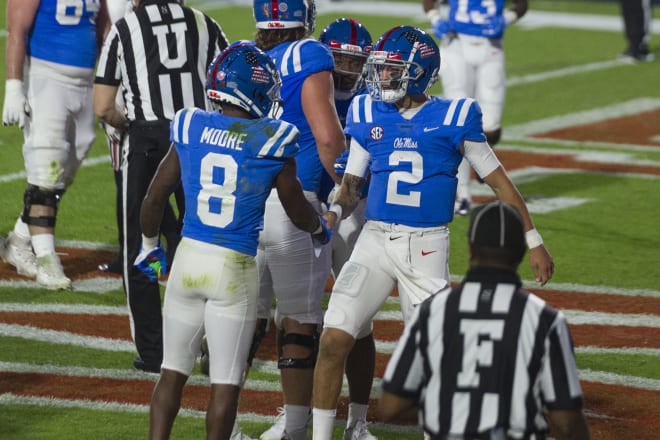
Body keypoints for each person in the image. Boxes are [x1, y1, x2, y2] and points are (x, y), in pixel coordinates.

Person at [311, 25, 555, 440]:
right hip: (374, 240)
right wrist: (335, 212)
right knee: (334, 337)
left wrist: (533, 240)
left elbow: (499, 184)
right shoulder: (370, 112)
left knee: (436, 356)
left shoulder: (454, 117)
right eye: (381, 69)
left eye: (391, 70)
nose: (381, 78)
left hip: (425, 247)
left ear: (418, 72)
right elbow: (352, 184)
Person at [138, 41, 332, 440]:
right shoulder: (273, 138)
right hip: (233, 267)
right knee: (224, 385)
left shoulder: (191, 124)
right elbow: (295, 207)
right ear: (254, 90)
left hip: (188, 259)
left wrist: (147, 249)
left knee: (171, 374)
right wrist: (319, 228)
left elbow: (154, 197)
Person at [93, 0, 229, 373]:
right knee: (200, 244)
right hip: (198, 143)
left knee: (141, 247)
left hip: (147, 145)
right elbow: (231, 86)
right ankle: (203, 341)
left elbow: (103, 105)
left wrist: (133, 123)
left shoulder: (125, 27)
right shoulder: (207, 23)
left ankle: (154, 352)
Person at [380, 201, 590, 440]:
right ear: (521, 253)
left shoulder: (432, 311)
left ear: (470, 248)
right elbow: (566, 423)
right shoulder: (545, 320)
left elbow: (391, 406)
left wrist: (450, 411)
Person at [260, 17, 376, 440]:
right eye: (340, 58)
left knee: (355, 321)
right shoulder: (312, 81)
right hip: (308, 207)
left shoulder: (374, 100)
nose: (346, 68)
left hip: (351, 214)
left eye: (354, 60)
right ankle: (294, 414)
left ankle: (358, 419)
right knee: (290, 315)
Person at [251, 0, 347, 438]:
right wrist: (351, 191)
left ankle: (227, 425)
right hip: (296, 203)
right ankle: (293, 424)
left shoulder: (243, 58)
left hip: (244, 206)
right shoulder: (308, 54)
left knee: (243, 321)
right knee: (299, 320)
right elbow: (327, 138)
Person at [1, 0, 110, 289]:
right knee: (46, 169)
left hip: (85, 80)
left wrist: (110, 78)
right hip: (45, 76)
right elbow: (16, 28)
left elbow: (104, 28)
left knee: (71, 163)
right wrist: (14, 87)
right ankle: (47, 260)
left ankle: (20, 240)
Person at [97, 0, 183, 275]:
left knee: (132, 187)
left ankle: (137, 255)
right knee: (159, 185)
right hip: (165, 102)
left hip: (134, 99)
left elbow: (116, 40)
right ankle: (166, 243)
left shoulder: (126, 16)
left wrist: (113, 111)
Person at [423, 0, 529, 216]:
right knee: (459, 123)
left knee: (491, 126)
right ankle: (463, 194)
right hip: (456, 45)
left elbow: (522, 4)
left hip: (491, 46)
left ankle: (480, 160)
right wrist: (435, 18)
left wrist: (506, 19)